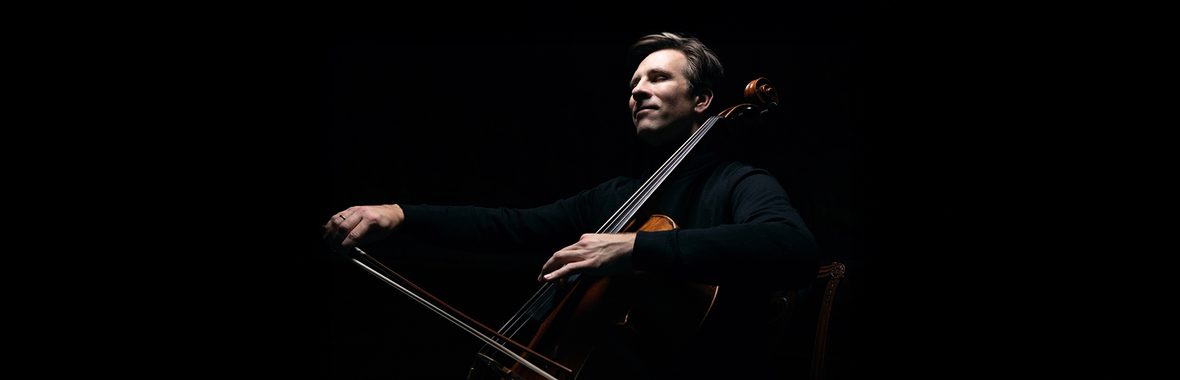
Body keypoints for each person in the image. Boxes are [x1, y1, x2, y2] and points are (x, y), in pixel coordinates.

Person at [323, 32, 820, 379]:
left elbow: (792, 248)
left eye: (657, 79)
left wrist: (634, 249)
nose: (638, 92)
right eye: (632, 86)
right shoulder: (618, 196)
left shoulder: (737, 183)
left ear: (703, 99)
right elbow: (511, 227)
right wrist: (399, 213)